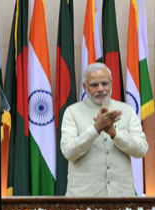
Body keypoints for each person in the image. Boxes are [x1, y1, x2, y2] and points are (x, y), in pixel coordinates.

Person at [60, 63, 148, 197]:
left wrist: (115, 134)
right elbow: (69, 152)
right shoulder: (72, 112)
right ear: (85, 87)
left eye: (105, 83)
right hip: (83, 200)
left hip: (121, 198)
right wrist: (95, 129)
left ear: (111, 83)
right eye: (94, 85)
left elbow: (141, 149)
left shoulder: (127, 111)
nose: (100, 89)